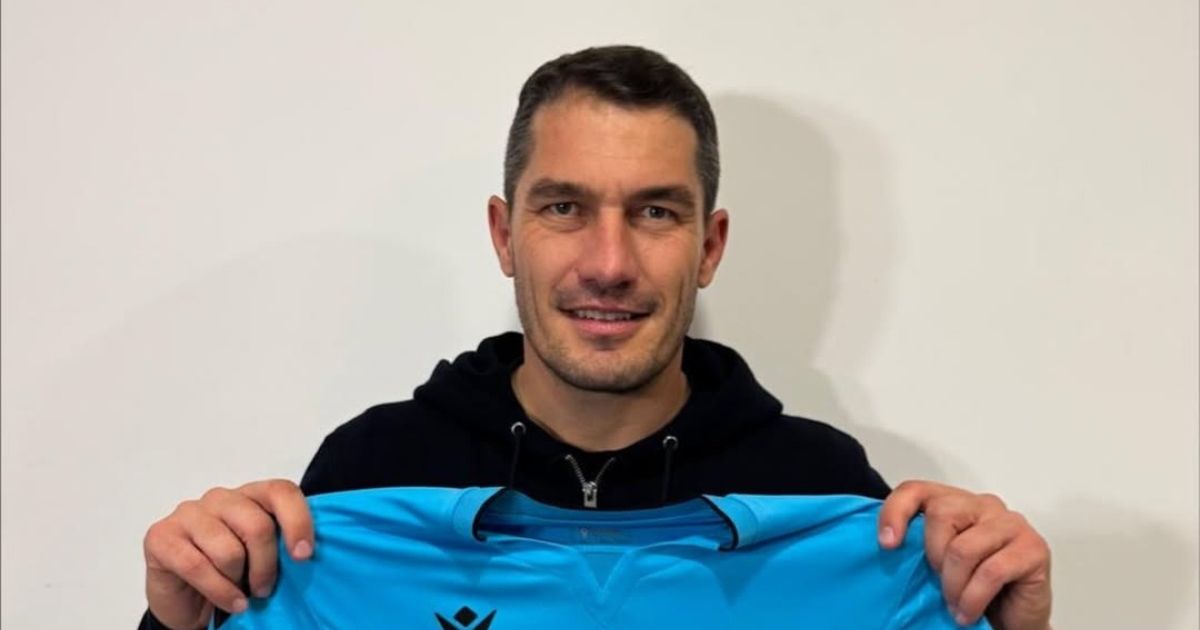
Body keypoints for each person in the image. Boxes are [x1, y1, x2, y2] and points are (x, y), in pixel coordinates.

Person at [139, 45, 1052, 630]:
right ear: (504, 235)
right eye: (564, 208)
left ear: (709, 246)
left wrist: (1012, 626)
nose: (609, 263)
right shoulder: (367, 479)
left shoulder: (830, 498)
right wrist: (179, 624)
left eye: (655, 212)